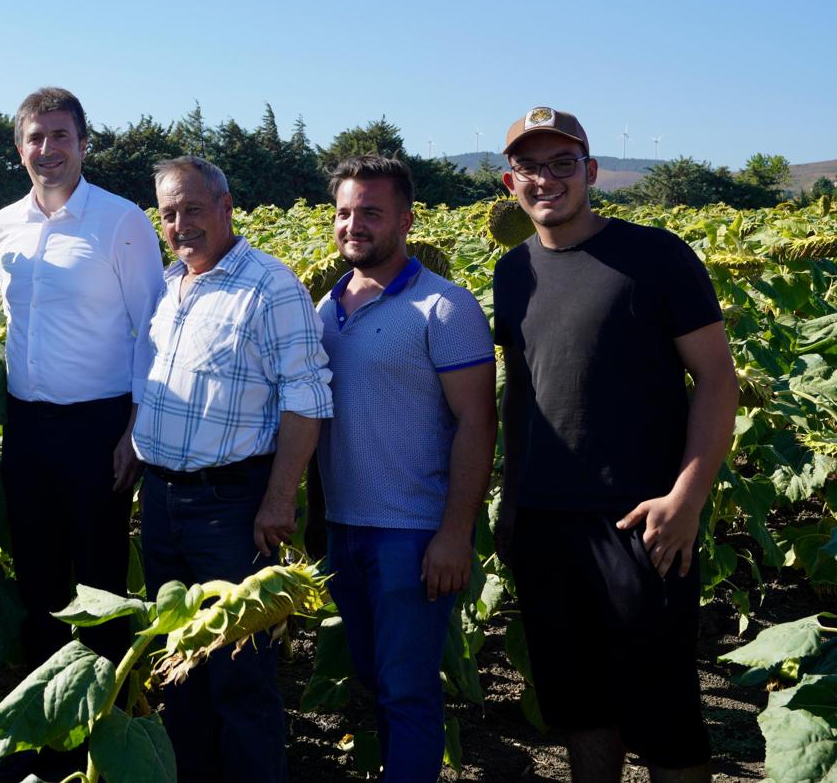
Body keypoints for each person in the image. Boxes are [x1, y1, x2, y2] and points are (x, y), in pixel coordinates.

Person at [493, 106, 736, 783]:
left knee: (664, 713)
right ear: (511, 183)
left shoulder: (656, 256)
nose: (546, 180)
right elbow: (522, 394)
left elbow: (718, 381)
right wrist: (512, 502)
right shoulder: (513, 275)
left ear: (590, 171)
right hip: (545, 520)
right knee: (579, 706)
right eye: (530, 167)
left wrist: (686, 500)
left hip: (642, 520)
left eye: (562, 164)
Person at [127, 156, 333, 783]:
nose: (181, 223)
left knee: (241, 673)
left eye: (193, 209)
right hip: (162, 502)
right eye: (169, 214)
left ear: (226, 207)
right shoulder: (168, 285)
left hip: (234, 504)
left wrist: (278, 500)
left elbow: (307, 397)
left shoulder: (270, 286)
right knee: (178, 662)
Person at [315, 155, 496, 782]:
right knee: (372, 677)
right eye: (344, 212)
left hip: (412, 532)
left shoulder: (444, 308)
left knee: (408, 690)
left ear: (406, 220)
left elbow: (478, 423)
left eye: (371, 211)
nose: (353, 224)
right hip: (343, 528)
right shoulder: (324, 308)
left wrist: (454, 534)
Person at [0, 87, 163, 670]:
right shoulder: (2, 226)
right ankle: (43, 722)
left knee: (97, 580)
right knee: (36, 575)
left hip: (98, 426)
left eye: (61, 135)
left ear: (84, 144)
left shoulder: (121, 222)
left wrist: (135, 430)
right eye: (35, 137)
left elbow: (153, 330)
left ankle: (101, 716)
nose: (48, 148)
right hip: (26, 426)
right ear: (20, 150)